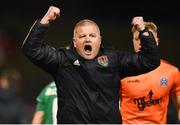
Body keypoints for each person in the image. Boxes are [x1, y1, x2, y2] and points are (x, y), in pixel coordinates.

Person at [22, 6, 160, 123]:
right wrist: (45, 21)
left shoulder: (114, 59)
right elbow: (31, 49)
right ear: (75, 42)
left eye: (92, 36)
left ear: (99, 40)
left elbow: (151, 60)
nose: (87, 39)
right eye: (82, 36)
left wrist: (143, 31)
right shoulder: (62, 59)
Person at [120, 21, 180, 124]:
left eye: (147, 37)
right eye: (137, 39)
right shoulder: (121, 70)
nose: (141, 42)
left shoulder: (171, 72)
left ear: (156, 41)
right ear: (133, 41)